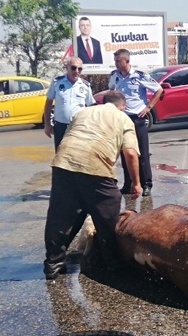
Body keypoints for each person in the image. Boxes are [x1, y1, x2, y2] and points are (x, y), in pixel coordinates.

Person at [43, 91, 142, 280]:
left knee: (62, 215)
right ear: (122, 106)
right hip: (96, 167)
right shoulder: (122, 118)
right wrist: (136, 183)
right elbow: (130, 154)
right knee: (108, 215)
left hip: (64, 164)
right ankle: (113, 264)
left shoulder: (82, 112)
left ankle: (53, 264)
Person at [109, 49, 163, 197]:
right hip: (122, 118)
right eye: (115, 61)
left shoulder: (139, 76)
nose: (116, 63)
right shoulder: (115, 76)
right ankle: (128, 184)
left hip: (137, 117)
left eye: (118, 61)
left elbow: (159, 90)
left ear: (126, 61)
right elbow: (111, 92)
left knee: (142, 153)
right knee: (125, 152)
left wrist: (149, 107)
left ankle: (147, 184)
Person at [43, 56, 95, 150]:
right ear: (67, 68)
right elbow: (48, 103)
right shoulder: (57, 83)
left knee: (77, 155)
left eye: (80, 69)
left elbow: (91, 107)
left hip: (78, 126)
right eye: (73, 68)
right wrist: (47, 124)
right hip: (60, 126)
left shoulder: (85, 86)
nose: (77, 71)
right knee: (60, 157)